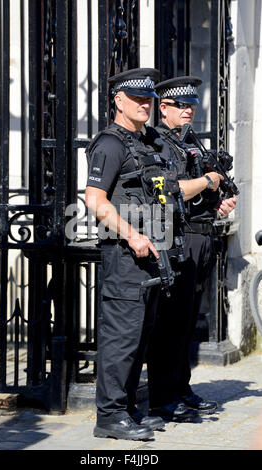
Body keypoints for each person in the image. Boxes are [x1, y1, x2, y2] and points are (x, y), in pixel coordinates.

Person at [146, 76, 237, 421]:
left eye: (192, 105)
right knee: (169, 322)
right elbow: (168, 193)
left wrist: (217, 205)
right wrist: (207, 183)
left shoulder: (189, 141)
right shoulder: (158, 143)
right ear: (164, 107)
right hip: (175, 238)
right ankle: (162, 396)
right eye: (181, 105)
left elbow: (198, 196)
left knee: (186, 323)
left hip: (200, 233)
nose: (188, 111)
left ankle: (180, 389)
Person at [85, 68, 166, 441]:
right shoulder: (110, 144)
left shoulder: (144, 142)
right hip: (124, 255)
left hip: (148, 255)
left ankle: (128, 410)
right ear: (118, 100)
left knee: (138, 336)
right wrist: (132, 235)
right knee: (120, 337)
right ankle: (110, 416)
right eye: (137, 98)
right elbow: (94, 200)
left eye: (148, 97)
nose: (145, 103)